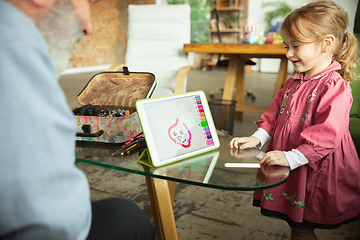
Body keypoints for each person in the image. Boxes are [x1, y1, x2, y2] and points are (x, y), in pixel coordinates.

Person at [0, 0, 155, 239]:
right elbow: (51, 222)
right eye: (87, 2)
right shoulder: (14, 49)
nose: (89, 27)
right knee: (128, 216)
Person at [229, 1, 360, 239]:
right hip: (292, 160)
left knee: (303, 224)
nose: (288, 53)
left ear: (326, 43)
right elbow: (273, 115)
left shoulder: (335, 87)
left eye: (296, 46)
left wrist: (293, 157)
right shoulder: (293, 81)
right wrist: (257, 138)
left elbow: (327, 135)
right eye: (287, 45)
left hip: (316, 166)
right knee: (295, 223)